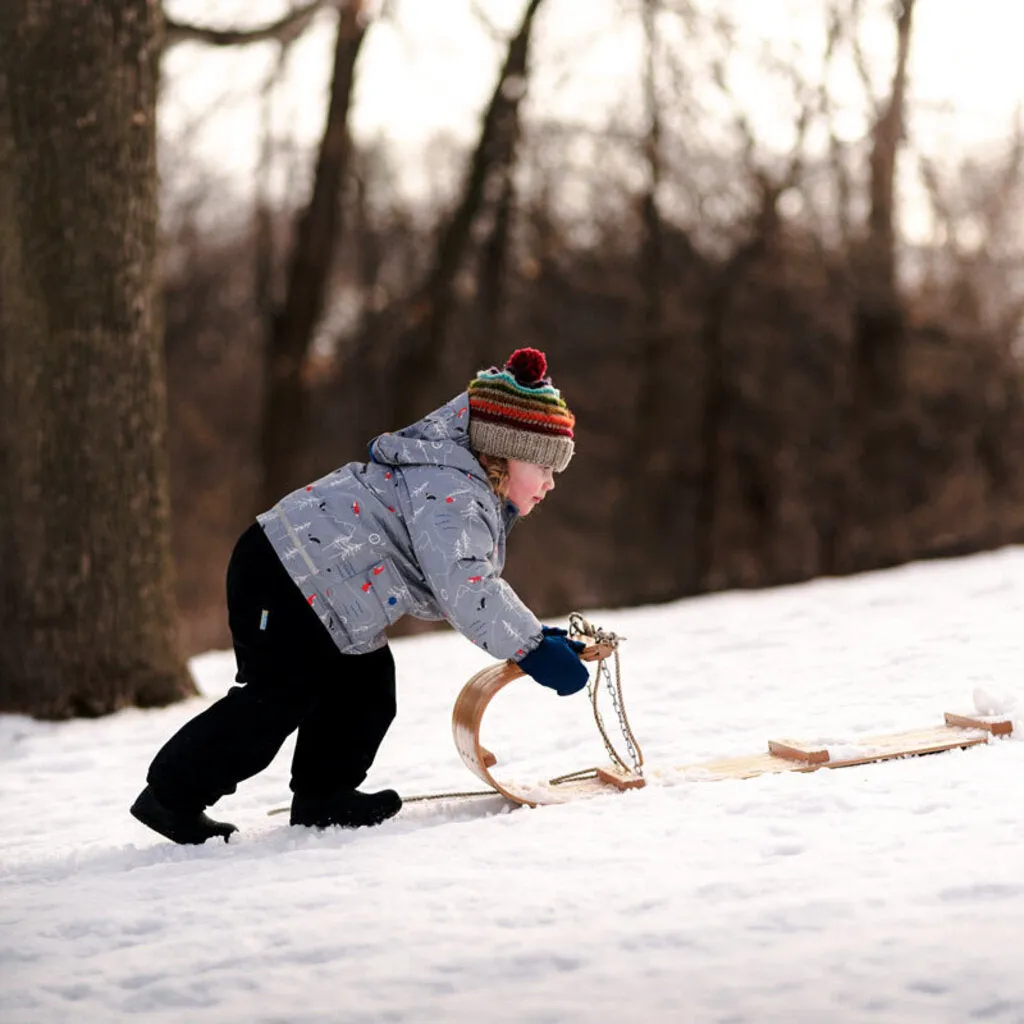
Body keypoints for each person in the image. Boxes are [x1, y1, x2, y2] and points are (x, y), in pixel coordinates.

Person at [130, 347, 590, 845]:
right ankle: (171, 797)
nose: (549, 483)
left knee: (365, 690)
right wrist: (532, 648)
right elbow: (466, 585)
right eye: (542, 466)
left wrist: (534, 636)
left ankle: (324, 798)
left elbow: (469, 579)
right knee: (278, 697)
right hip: (284, 574)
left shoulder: (462, 482)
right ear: (503, 450)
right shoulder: (453, 490)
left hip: (326, 590)